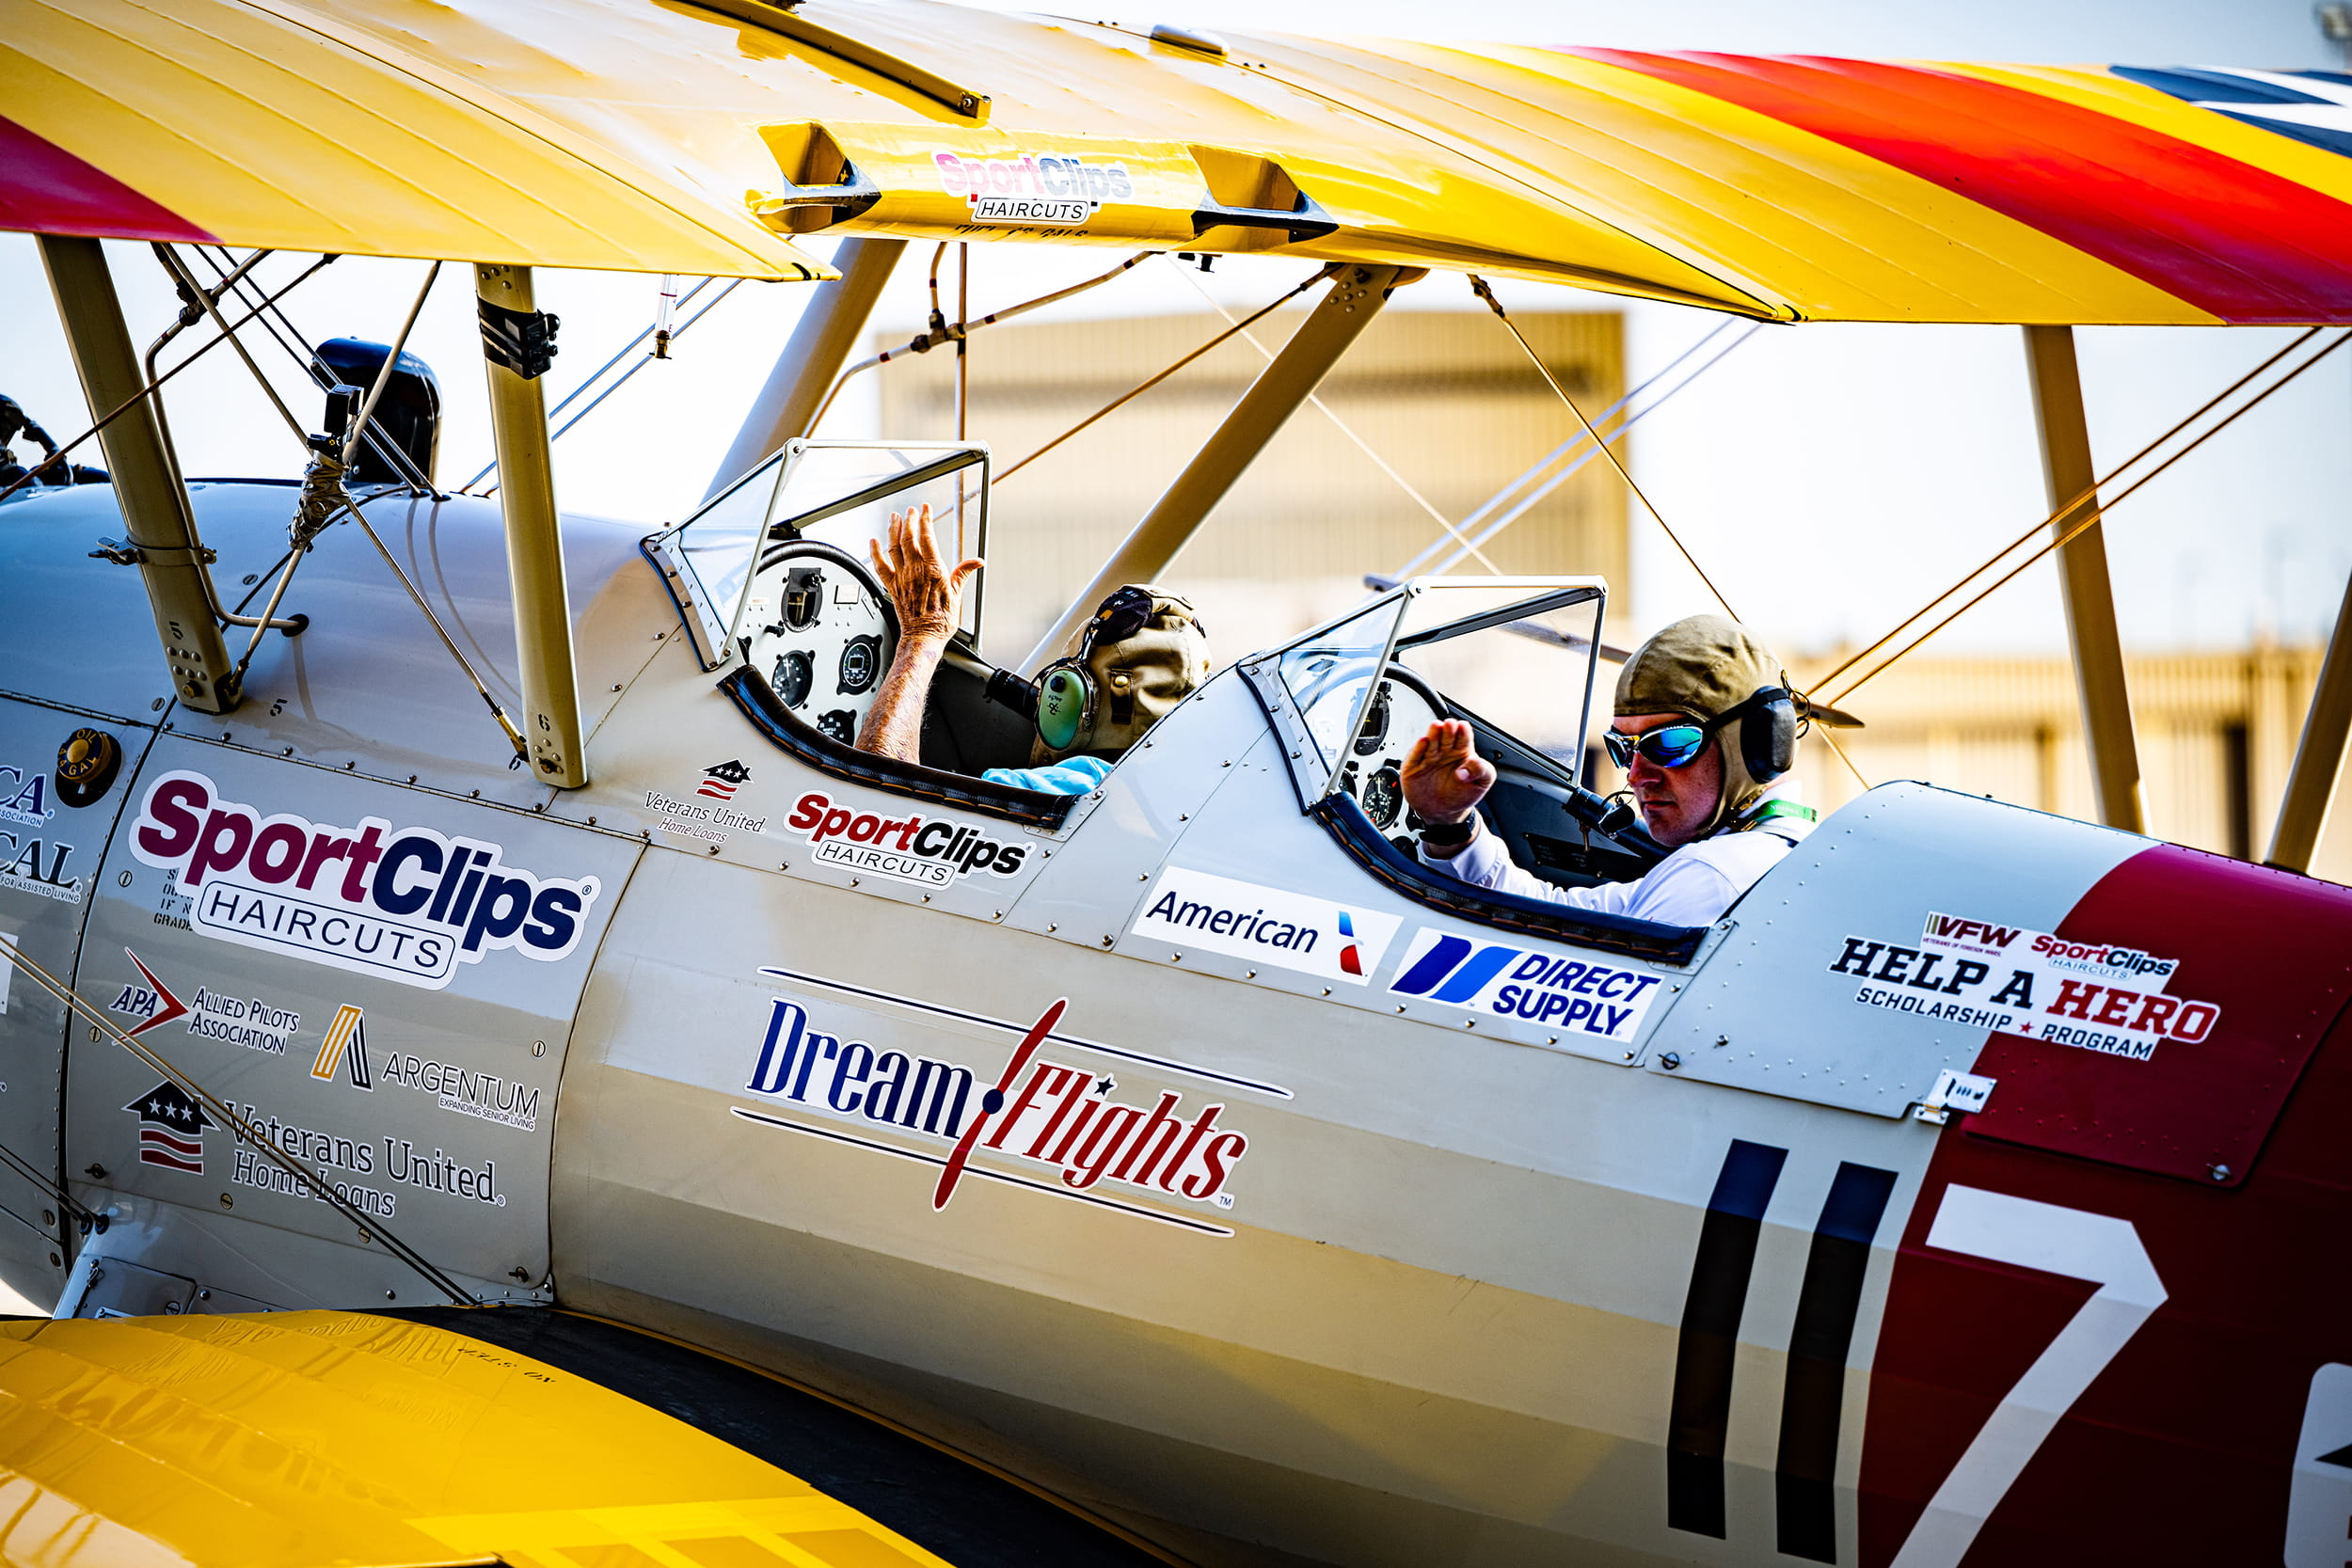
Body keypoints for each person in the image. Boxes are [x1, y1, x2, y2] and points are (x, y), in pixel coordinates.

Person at [1400, 614, 1819, 927]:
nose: (1637, 776)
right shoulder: (1776, 851)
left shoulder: (1711, 878)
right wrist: (1449, 826)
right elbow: (1551, 916)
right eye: (1624, 748)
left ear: (1759, 744)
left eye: (1669, 744)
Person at [854, 503, 1209, 794]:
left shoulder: (1068, 786)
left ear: (1073, 699)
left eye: (1064, 677)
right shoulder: (1189, 790)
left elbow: (873, 801)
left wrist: (922, 636)